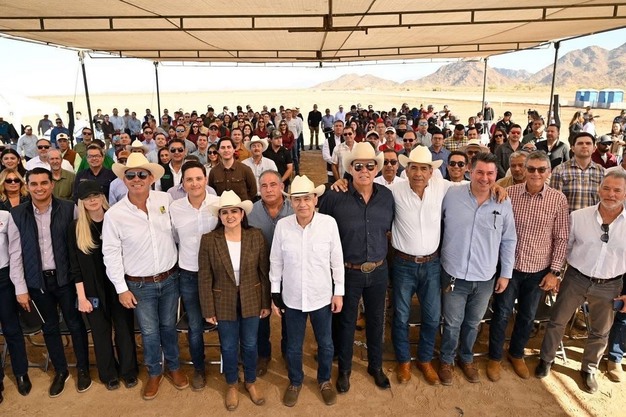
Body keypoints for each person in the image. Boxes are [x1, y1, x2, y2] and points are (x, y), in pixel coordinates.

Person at [102, 153, 189, 400]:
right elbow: (111, 253)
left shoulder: (165, 200)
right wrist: (121, 288)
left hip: (170, 278)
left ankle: (173, 367)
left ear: (151, 178)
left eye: (142, 174)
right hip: (140, 285)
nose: (136, 179)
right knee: (149, 332)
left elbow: (178, 231)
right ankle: (154, 372)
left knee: (169, 327)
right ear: (124, 180)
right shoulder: (115, 215)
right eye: (131, 175)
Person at [536, 171, 626, 394]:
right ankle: (546, 359)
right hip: (575, 278)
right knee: (557, 321)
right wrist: (556, 274)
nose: (611, 194)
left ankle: (589, 369)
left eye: (617, 190)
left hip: (610, 284)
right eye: (607, 188)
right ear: (599, 189)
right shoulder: (578, 216)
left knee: (601, 331)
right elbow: (564, 248)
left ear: (625, 194)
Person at [9, 167, 92, 397]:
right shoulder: (17, 214)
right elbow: (15, 254)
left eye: (43, 183)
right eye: (34, 184)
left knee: (75, 325)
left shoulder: (69, 208)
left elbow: (80, 245)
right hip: (37, 283)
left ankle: (83, 369)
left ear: (52, 184)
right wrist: (20, 288)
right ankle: (61, 371)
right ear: (27, 187)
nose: (39, 188)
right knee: (50, 328)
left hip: (66, 280)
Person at [487, 151, 569, 382]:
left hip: (538, 270)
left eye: (541, 169)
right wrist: (496, 187)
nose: (535, 173)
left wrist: (554, 272)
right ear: (524, 169)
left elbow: (562, 238)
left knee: (527, 316)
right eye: (531, 168)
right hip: (509, 268)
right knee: (501, 314)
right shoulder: (510, 194)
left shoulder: (558, 199)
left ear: (548, 172)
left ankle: (516, 354)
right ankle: (494, 357)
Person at [319, 142, 394, 393]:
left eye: (370, 166)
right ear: (350, 169)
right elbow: (323, 231)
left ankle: (376, 366)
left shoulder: (387, 197)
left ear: (376, 169)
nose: (364, 170)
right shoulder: (334, 196)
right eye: (358, 166)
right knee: (346, 322)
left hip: (378, 269)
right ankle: (345, 370)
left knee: (376, 320)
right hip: (347, 271)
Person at [438, 153, 517, 385]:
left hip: (485, 277)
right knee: (452, 323)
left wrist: (506, 274)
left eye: (490, 173)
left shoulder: (503, 202)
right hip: (454, 273)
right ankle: (446, 360)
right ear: (470, 172)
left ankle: (466, 358)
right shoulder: (451, 195)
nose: (484, 178)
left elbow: (509, 240)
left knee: (473, 323)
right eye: (480, 172)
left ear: (496, 175)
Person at [270, 175, 344, 407]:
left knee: (326, 343)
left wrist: (338, 292)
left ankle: (324, 380)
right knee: (293, 345)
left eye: (307, 198)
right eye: (297, 199)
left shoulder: (328, 224)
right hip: (292, 298)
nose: (302, 204)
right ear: (291, 202)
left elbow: (336, 260)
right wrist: (275, 293)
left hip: (322, 296)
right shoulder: (283, 226)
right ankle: (295, 381)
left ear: (315, 199)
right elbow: (276, 261)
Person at [198, 190, 270, 411]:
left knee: (250, 343)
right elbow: (205, 277)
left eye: (234, 211)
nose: (230, 216)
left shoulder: (255, 236)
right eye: (225, 212)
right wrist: (208, 308)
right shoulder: (209, 240)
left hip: (252, 298)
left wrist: (265, 302)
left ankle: (250, 381)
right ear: (219, 216)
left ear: (242, 214)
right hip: (223, 300)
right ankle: (232, 383)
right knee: (228, 346)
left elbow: (263, 272)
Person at [69, 180, 138, 391]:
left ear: (102, 197)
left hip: (118, 285)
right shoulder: (76, 228)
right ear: (81, 202)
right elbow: (75, 267)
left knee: (124, 329)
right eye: (87, 198)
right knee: (100, 333)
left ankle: (129, 371)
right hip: (92, 289)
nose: (92, 200)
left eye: (96, 196)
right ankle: (108, 374)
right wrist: (81, 297)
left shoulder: (116, 219)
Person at [169, 161, 219, 390]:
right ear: (183, 183)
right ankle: (199, 369)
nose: (195, 183)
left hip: (218, 275)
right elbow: (174, 238)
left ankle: (232, 363)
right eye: (189, 179)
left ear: (205, 180)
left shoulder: (218, 203)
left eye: (199, 178)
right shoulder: (175, 208)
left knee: (226, 321)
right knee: (195, 326)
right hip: (189, 274)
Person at [247, 170, 294, 375]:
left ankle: (288, 352)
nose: (269, 189)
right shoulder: (250, 212)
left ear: (282, 186)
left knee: (289, 314)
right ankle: (263, 354)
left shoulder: (294, 209)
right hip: (259, 273)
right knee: (261, 315)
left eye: (273, 184)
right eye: (264, 186)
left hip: (289, 273)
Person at [0, 206, 31, 404]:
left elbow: (15, 251)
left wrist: (20, 287)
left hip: (3, 278)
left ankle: (21, 373)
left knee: (11, 329)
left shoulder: (5, 216)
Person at [550, 132, 605, 212]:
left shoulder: (601, 172)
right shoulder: (559, 170)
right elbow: (553, 201)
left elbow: (604, 200)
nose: (584, 146)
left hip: (593, 219)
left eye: (588, 143)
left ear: (594, 148)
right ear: (573, 148)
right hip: (568, 219)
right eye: (580, 143)